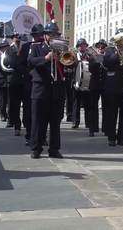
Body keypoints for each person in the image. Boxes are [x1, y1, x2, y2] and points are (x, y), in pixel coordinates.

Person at [27, 20, 66, 159]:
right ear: (44, 36)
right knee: (38, 121)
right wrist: (45, 58)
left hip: (56, 90)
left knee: (55, 122)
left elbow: (70, 66)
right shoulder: (36, 47)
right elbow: (30, 61)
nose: (52, 37)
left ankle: (54, 149)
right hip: (40, 89)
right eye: (49, 34)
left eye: (54, 34)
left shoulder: (62, 49)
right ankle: (36, 148)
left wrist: (63, 59)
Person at [103, 29, 123, 146]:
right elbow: (107, 63)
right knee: (112, 113)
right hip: (112, 87)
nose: (122, 42)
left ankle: (121, 137)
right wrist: (117, 54)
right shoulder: (109, 50)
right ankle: (111, 136)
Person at [87, 39, 108, 137]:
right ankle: (92, 128)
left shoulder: (108, 57)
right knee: (93, 107)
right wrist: (95, 61)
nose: (100, 49)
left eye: (102, 47)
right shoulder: (92, 58)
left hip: (105, 84)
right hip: (94, 84)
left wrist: (104, 60)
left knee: (106, 107)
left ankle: (106, 128)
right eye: (98, 47)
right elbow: (91, 69)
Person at [71, 38, 91, 129]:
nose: (82, 47)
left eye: (84, 45)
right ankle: (75, 122)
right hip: (77, 82)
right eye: (80, 46)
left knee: (87, 104)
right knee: (76, 103)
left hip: (87, 83)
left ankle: (88, 123)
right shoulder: (74, 56)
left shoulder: (89, 57)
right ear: (77, 47)